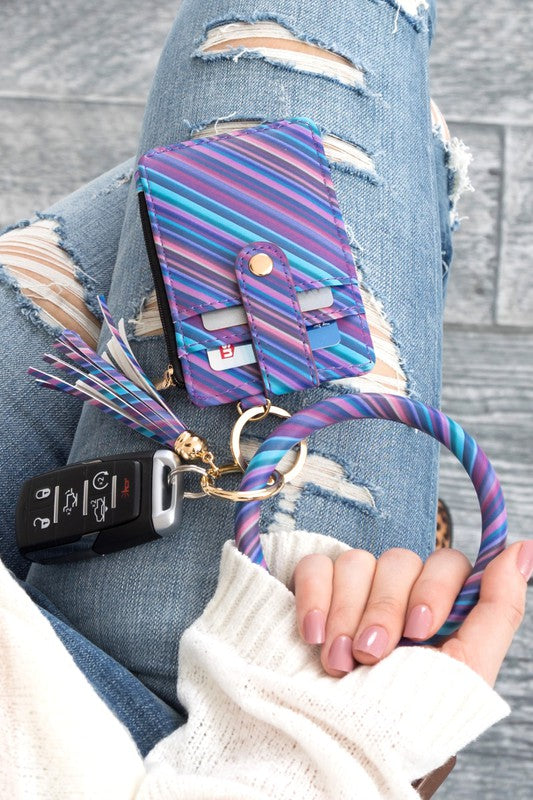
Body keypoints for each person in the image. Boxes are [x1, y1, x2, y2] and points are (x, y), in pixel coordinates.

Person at [0, 0, 530, 797]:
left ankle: (405, 164)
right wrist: (327, 761)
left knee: (300, 141)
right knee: (320, 71)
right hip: (154, 732)